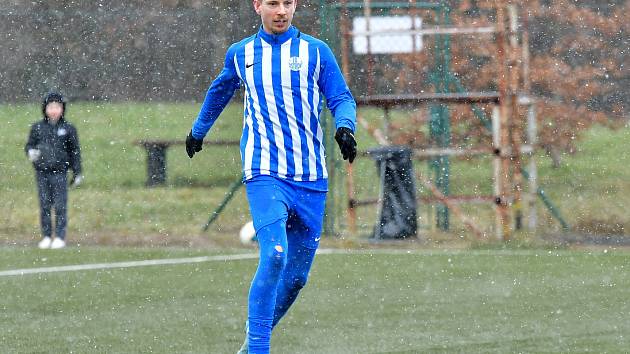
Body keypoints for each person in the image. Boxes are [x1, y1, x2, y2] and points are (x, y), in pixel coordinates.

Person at [185, 0, 357, 352]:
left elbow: (341, 97)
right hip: (264, 171)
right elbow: (219, 91)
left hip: (310, 177)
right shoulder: (241, 53)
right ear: (257, 6)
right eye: (273, 3)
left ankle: (251, 342)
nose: (281, 11)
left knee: (295, 279)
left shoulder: (316, 52)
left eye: (288, 3)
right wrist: (199, 130)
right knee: (275, 254)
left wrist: (345, 127)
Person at [25, 92, 83, 249]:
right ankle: (46, 236)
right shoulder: (37, 128)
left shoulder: (68, 129)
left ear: (63, 109)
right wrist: (31, 152)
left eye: (57, 107)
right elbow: (29, 145)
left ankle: (59, 236)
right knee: (44, 205)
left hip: (60, 173)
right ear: (45, 109)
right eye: (51, 107)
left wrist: (77, 172)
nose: (54, 110)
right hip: (42, 172)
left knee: (60, 206)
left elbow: (74, 152)